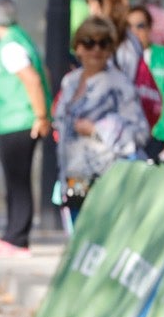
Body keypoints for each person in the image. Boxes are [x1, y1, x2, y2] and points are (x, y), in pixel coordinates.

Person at [54, 15, 146, 223]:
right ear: (77, 47)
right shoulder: (70, 81)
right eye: (89, 42)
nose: (96, 49)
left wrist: (98, 129)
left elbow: (140, 132)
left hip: (107, 182)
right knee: (77, 244)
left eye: (103, 43)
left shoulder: (119, 84)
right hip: (74, 179)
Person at [0, 0, 50, 260]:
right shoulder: (20, 39)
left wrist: (41, 115)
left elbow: (32, 80)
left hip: (18, 121)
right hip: (15, 120)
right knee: (15, 180)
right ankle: (12, 234)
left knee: (17, 181)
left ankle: (17, 238)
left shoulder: (10, 47)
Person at [129, 4, 164, 160]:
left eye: (140, 25)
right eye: (129, 26)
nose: (135, 31)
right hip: (130, 136)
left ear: (150, 28)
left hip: (160, 135)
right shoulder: (121, 58)